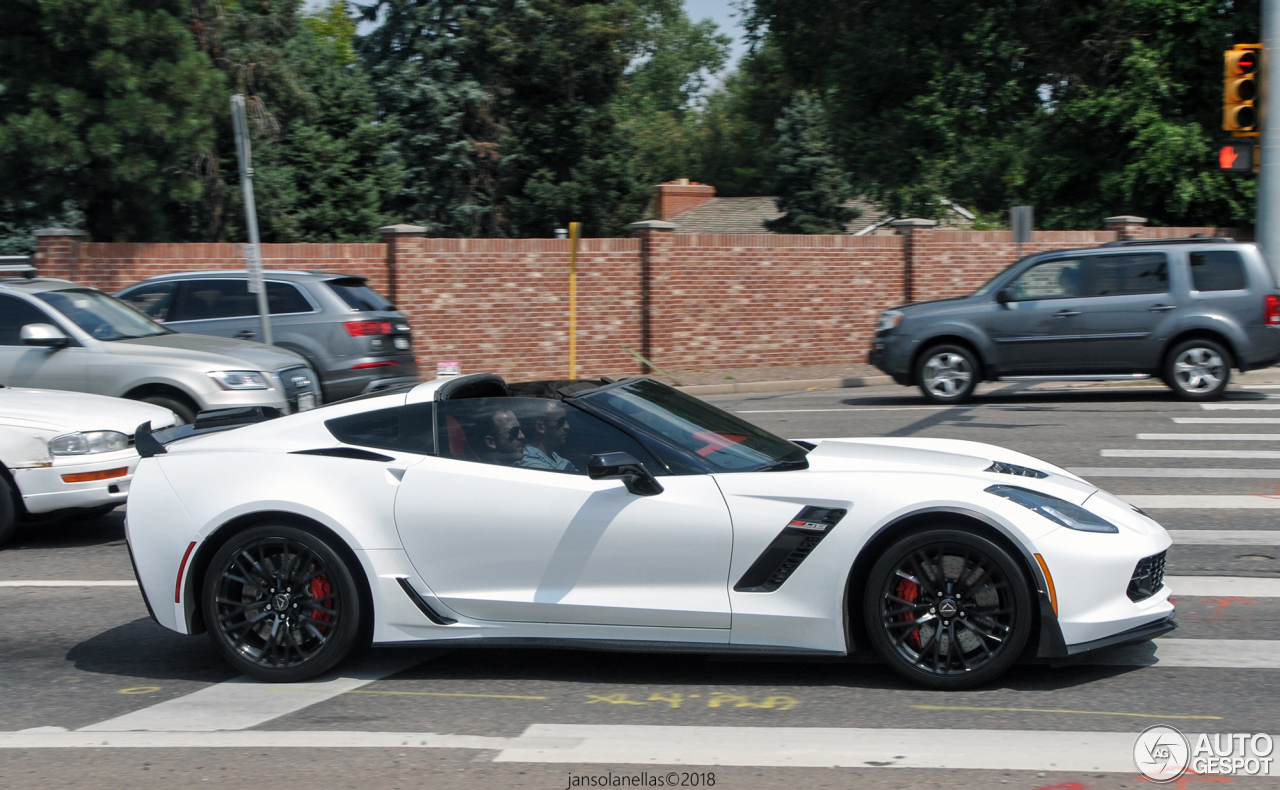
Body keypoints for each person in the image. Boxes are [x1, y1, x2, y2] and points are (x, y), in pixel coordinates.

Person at [516, 399, 577, 472]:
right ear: (541, 427)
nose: (567, 426)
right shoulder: (533, 465)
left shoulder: (551, 455)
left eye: (566, 420)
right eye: (561, 421)